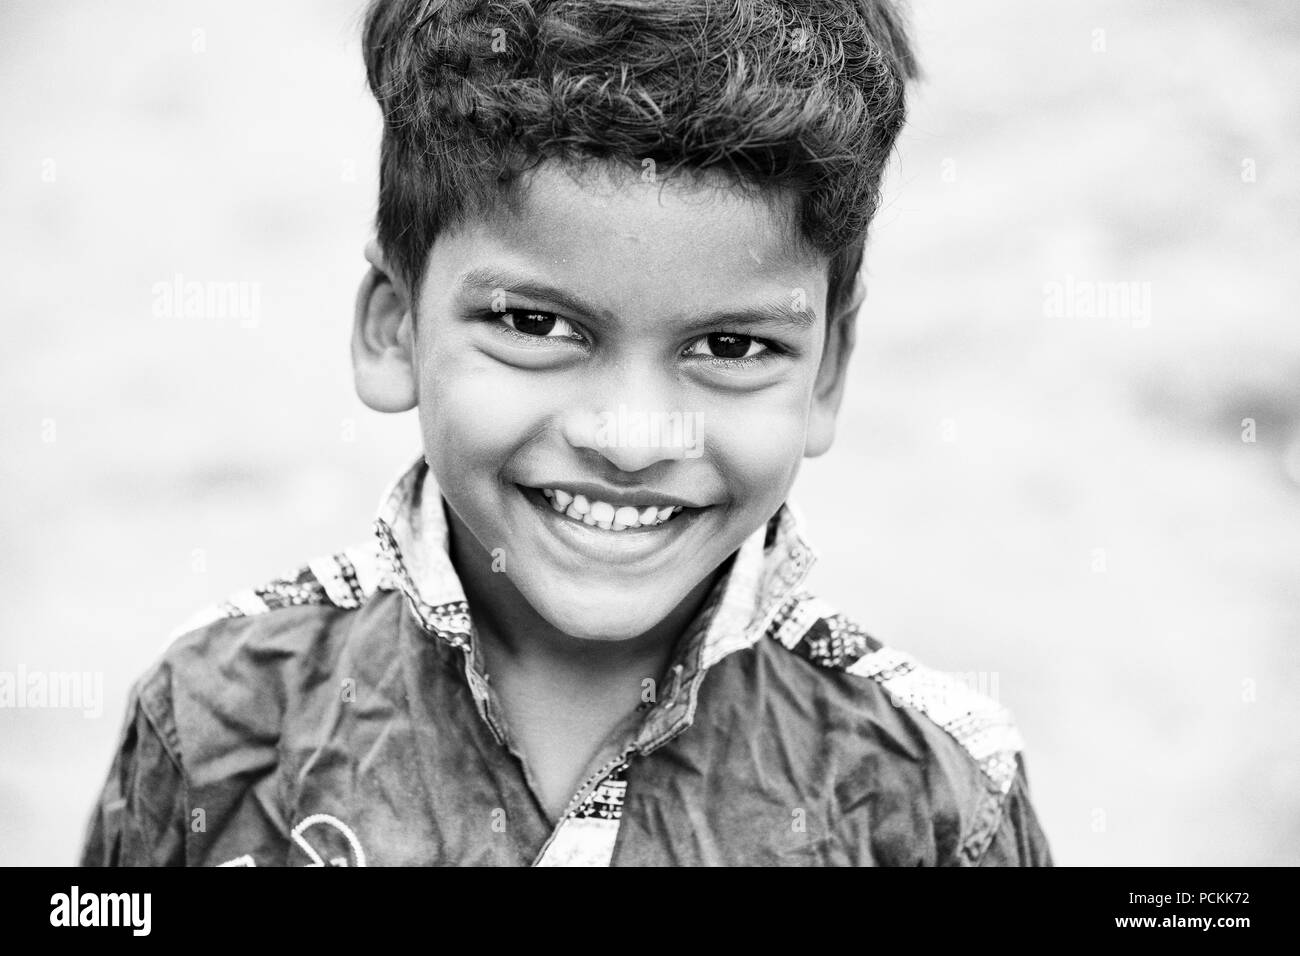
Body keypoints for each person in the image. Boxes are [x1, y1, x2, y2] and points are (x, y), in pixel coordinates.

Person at [82, 0, 1051, 866]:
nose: (630, 437)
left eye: (729, 343)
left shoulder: (931, 802)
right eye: (536, 325)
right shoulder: (216, 727)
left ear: (828, 368)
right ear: (391, 323)